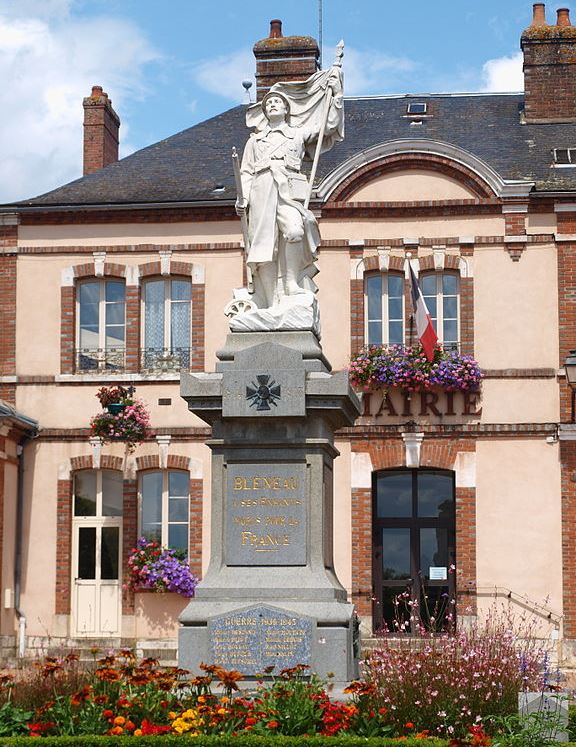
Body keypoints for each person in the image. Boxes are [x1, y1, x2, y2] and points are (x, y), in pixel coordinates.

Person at [235, 66, 344, 311]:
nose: (272, 104)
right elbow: (246, 171)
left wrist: (335, 95)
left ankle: (292, 283)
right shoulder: (254, 141)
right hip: (261, 189)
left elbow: (327, 126)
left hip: (289, 189)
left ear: (286, 109)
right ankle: (271, 299)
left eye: (277, 102)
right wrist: (242, 199)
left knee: (296, 231)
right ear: (264, 111)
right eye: (269, 102)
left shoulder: (297, 135)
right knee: (264, 245)